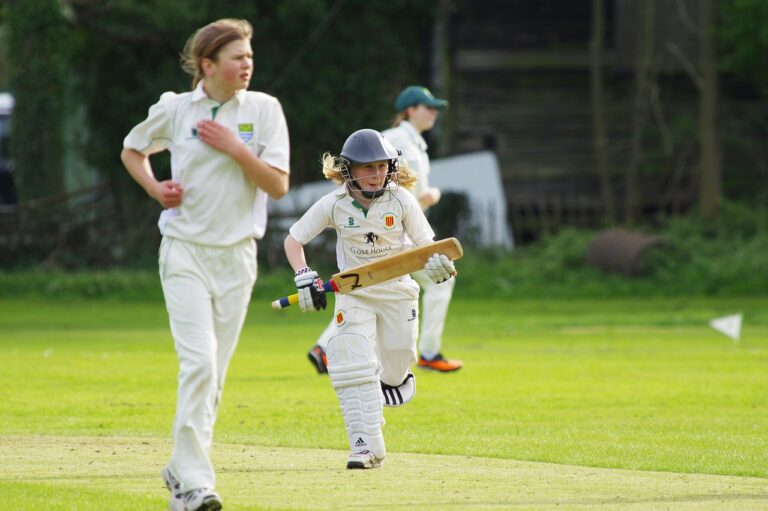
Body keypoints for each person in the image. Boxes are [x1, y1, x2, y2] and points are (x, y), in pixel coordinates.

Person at [120, 18, 289, 511]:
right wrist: (155, 188)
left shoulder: (264, 110)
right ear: (207, 65)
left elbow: (278, 185)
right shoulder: (175, 109)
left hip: (237, 257)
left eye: (250, 58)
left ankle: (181, 472)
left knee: (213, 376)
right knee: (198, 363)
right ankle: (195, 483)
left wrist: (235, 148)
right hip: (185, 252)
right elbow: (133, 149)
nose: (247, 66)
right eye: (238, 58)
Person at [284, 129, 456, 469]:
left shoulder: (402, 200)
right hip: (354, 294)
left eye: (381, 166)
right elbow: (294, 240)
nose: (376, 174)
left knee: (394, 371)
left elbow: (428, 247)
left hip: (398, 293)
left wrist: (440, 266)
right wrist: (304, 275)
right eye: (367, 167)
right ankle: (364, 446)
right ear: (348, 170)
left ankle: (379, 390)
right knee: (351, 358)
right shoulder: (334, 203)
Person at [307, 85, 462, 374]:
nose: (433, 113)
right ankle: (428, 352)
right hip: (386, 232)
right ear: (410, 110)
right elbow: (381, 184)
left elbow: (408, 189)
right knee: (373, 284)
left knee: (367, 284)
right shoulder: (394, 138)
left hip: (404, 231)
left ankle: (325, 347)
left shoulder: (418, 144)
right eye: (427, 107)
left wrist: (428, 196)